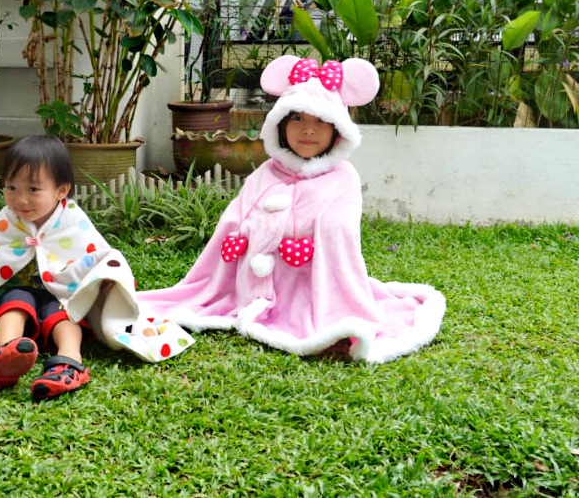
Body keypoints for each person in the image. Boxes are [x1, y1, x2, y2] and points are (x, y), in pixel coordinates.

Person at [136, 56, 446, 363]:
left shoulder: (342, 178)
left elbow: (340, 231)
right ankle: (252, 296)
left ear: (338, 131)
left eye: (321, 121)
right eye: (297, 119)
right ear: (280, 126)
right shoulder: (266, 172)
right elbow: (236, 215)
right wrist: (241, 236)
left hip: (305, 281)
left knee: (321, 288)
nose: (308, 130)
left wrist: (301, 240)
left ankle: (314, 311)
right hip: (251, 283)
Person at [0, 135, 95, 399]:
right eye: (11, 187)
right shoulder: (6, 221)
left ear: (61, 190)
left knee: (64, 314)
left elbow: (95, 258)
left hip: (61, 293)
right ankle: (6, 354)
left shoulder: (73, 221)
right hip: (21, 289)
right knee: (13, 304)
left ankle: (69, 361)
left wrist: (110, 278)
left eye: (33, 190)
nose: (20, 199)